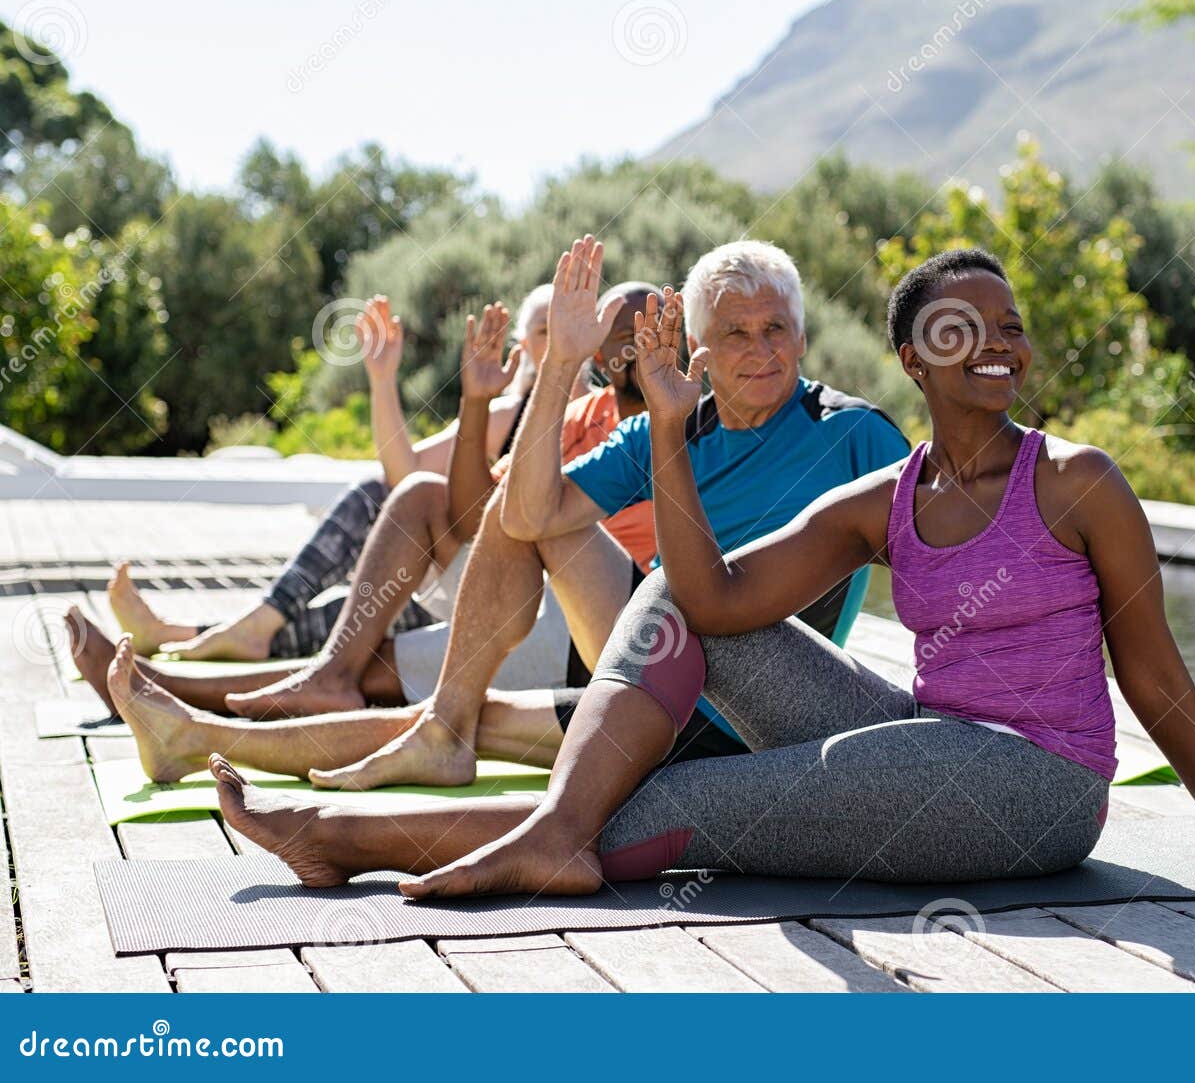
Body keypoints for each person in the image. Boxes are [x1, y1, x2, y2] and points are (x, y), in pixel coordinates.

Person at [198, 246, 1195, 897]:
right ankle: (437, 832)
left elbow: (1150, 670)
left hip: (1039, 790)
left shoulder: (1078, 481)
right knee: (671, 596)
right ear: (913, 356)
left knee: (673, 811)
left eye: (1009, 328)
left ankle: (351, 838)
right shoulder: (884, 497)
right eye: (963, 329)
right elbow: (708, 608)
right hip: (920, 740)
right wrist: (663, 427)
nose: (997, 346)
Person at [92, 235, 909, 788]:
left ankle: (230, 731)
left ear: (802, 341)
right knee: (522, 539)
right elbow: (525, 511)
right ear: (698, 350)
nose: (763, 349)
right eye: (737, 333)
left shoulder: (854, 434)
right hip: (647, 667)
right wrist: (559, 362)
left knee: (450, 714)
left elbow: (941, 550)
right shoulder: (671, 423)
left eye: (778, 329)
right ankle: (209, 735)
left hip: (746, 705)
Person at [71, 287, 657, 719]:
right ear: (595, 355)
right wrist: (474, 401)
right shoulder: (572, 416)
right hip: (517, 585)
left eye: (649, 338)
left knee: (370, 660)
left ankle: (157, 682)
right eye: (616, 343)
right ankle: (276, 667)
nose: (630, 353)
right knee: (411, 504)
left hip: (586, 629)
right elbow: (466, 516)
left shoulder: (685, 430)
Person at [106, 291, 556, 663]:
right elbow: (403, 479)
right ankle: (190, 631)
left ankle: (184, 632)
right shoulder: (506, 414)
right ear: (522, 346)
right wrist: (382, 379)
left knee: (354, 616)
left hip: (511, 599)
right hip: (453, 582)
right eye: (543, 329)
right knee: (360, 555)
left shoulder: (594, 416)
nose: (557, 337)